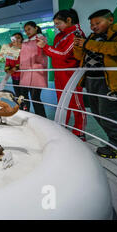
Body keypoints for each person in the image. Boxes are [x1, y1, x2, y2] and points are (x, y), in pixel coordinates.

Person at [73, 9, 117, 158]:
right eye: (91, 24)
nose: (94, 26)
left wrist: (88, 43)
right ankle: (116, 142)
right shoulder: (92, 37)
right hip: (91, 80)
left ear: (110, 20)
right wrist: (78, 46)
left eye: (97, 23)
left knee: (110, 115)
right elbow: (79, 56)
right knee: (98, 114)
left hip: (109, 82)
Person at [37, 9, 86, 139]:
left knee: (76, 103)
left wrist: (45, 47)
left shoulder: (76, 34)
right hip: (59, 73)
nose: (56, 26)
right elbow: (56, 53)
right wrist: (45, 47)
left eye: (58, 23)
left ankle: (79, 132)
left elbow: (64, 54)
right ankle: (62, 128)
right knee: (62, 102)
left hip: (71, 74)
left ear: (69, 20)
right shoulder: (61, 35)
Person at [19, 21, 47, 117]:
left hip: (37, 72)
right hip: (27, 73)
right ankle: (27, 115)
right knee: (25, 96)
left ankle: (42, 118)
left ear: (35, 28)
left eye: (29, 29)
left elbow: (37, 55)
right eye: (25, 30)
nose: (27, 32)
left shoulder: (40, 38)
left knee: (35, 97)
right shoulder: (27, 41)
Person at [4, 33, 24, 103]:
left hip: (24, 77)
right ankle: (20, 110)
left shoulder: (25, 49)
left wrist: (16, 67)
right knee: (17, 96)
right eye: (14, 38)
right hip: (15, 77)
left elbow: (26, 61)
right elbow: (7, 64)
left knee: (24, 96)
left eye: (18, 38)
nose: (16, 40)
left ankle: (26, 111)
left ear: (22, 39)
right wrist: (7, 69)